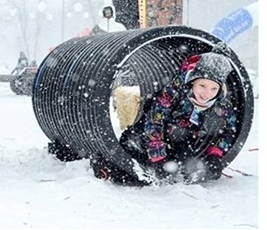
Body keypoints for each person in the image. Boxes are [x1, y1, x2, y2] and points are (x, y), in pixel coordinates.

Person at [93, 50, 237, 185]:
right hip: (145, 136)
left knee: (184, 171)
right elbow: (155, 121)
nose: (207, 94)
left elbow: (228, 130)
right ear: (193, 80)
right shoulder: (175, 90)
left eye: (214, 88)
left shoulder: (221, 104)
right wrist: (158, 156)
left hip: (179, 140)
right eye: (202, 85)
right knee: (138, 175)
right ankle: (107, 165)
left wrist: (215, 154)